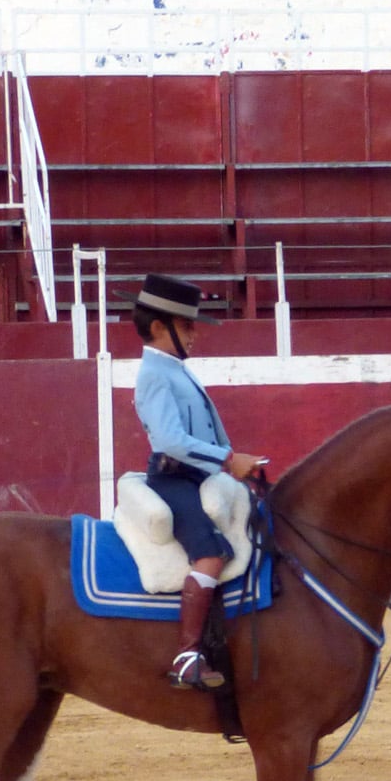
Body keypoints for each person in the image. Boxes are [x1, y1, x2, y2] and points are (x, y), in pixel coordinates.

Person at [131, 274, 265, 690]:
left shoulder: (172, 370)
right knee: (209, 556)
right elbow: (170, 439)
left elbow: (208, 430)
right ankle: (187, 655)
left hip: (200, 477)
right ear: (159, 327)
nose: (194, 335)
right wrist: (227, 458)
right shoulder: (154, 373)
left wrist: (236, 466)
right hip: (175, 481)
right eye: (187, 326)